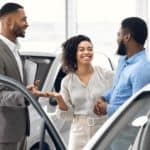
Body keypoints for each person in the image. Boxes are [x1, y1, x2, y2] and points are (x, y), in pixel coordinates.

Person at [43, 35, 114, 150]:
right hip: (78, 133)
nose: (87, 52)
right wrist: (59, 99)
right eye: (81, 49)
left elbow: (120, 97)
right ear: (73, 53)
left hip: (103, 130)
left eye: (90, 49)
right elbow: (67, 115)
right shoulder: (67, 81)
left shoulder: (106, 75)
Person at [94, 17, 150, 149]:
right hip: (112, 132)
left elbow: (140, 111)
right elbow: (117, 89)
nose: (117, 39)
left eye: (119, 34)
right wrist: (104, 98)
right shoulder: (123, 61)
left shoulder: (142, 69)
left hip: (126, 140)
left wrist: (107, 108)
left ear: (127, 37)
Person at [0, 3, 44, 150]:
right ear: (7, 21)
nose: (27, 24)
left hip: (19, 132)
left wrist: (27, 90)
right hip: (4, 135)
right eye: (23, 20)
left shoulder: (14, 50)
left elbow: (14, 87)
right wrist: (24, 95)